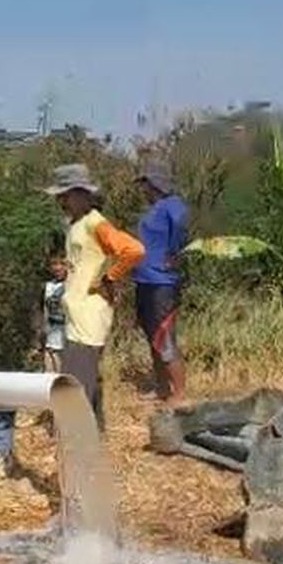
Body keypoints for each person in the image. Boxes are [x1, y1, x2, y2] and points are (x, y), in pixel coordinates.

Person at [44, 164, 144, 429]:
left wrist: (108, 278)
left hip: (89, 313)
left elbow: (133, 250)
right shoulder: (76, 225)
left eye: (64, 196)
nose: (60, 202)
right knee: (85, 376)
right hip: (77, 311)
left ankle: (75, 435)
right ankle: (94, 429)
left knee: (78, 378)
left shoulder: (96, 223)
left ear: (80, 194)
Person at [132, 161, 189, 405]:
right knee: (152, 336)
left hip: (162, 282)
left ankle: (180, 394)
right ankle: (161, 387)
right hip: (144, 279)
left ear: (155, 184)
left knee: (165, 337)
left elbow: (181, 227)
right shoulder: (153, 209)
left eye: (145, 184)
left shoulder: (173, 206)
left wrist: (175, 252)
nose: (142, 190)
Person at [36, 255, 68, 373]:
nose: (58, 269)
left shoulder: (73, 286)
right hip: (51, 335)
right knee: (49, 372)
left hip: (68, 336)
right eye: (54, 265)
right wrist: (40, 336)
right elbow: (42, 310)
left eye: (61, 265)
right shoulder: (48, 286)